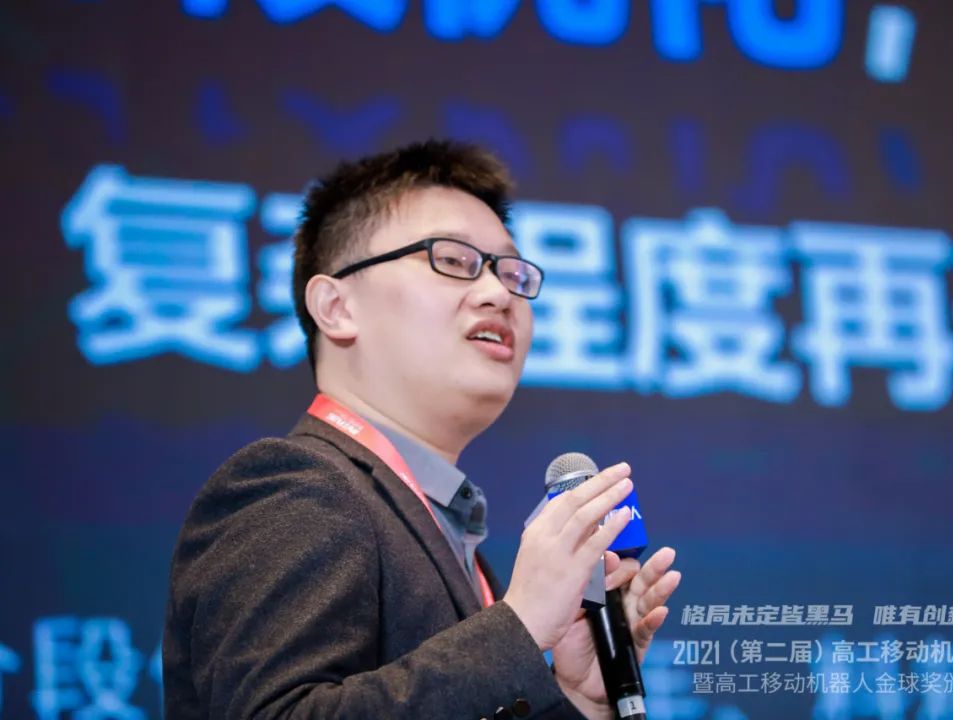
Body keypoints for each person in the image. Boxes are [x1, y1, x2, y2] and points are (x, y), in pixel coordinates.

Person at [163, 139, 681, 719]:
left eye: (511, 272)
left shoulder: (439, 523)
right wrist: (517, 627)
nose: (498, 294)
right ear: (336, 306)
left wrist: (575, 700)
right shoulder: (293, 486)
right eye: (453, 261)